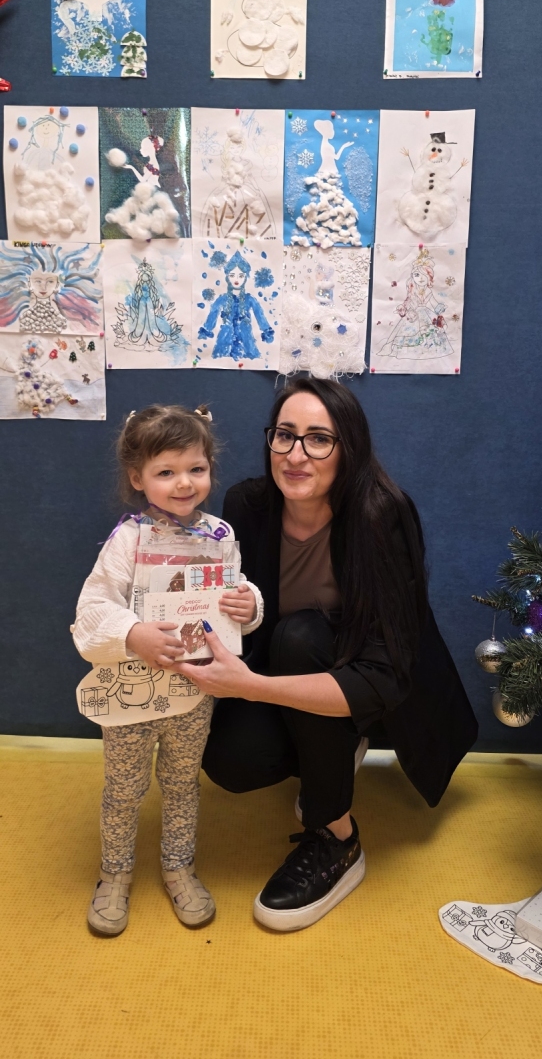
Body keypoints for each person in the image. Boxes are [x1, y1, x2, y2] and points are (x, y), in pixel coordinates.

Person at [174, 378, 478, 932]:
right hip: (287, 666)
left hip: (374, 682)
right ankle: (332, 752)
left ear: (348, 448)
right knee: (231, 762)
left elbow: (385, 674)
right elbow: (242, 611)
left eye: (318, 439)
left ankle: (338, 837)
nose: (296, 455)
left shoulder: (381, 516)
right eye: (284, 435)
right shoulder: (247, 504)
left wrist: (249, 687)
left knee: (301, 637)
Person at [71, 404, 263, 936]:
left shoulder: (220, 534)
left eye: (196, 469)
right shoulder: (128, 539)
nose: (184, 483)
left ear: (210, 469)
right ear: (138, 478)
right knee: (123, 788)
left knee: (182, 784)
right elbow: (92, 607)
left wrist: (250, 603)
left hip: (193, 689)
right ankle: (114, 874)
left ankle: (179, 867)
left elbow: (234, 592)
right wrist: (132, 634)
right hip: (130, 692)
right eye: (166, 471)